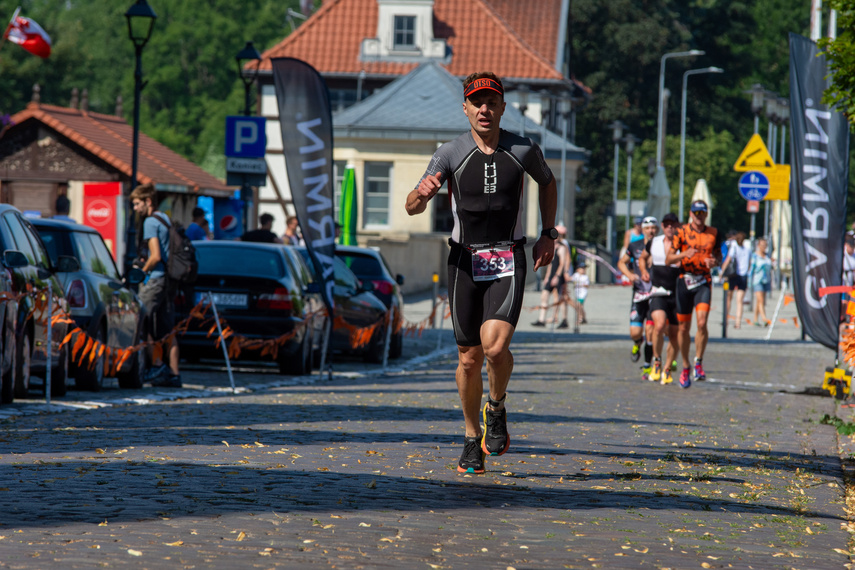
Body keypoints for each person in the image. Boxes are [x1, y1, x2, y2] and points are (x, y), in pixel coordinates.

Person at [405, 71, 557, 475]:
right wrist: (420, 197)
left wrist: (548, 233)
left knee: (494, 347)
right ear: (465, 108)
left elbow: (548, 182)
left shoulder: (523, 149)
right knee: (469, 360)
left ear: (503, 108)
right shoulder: (449, 153)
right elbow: (411, 204)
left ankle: (498, 404)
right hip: (464, 261)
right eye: (477, 102)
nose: (485, 109)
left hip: (509, 257)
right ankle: (472, 439)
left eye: (492, 102)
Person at [666, 199, 722, 388]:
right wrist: (683, 255)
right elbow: (668, 259)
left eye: (702, 213)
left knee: (702, 322)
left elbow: (719, 256)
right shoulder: (681, 232)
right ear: (691, 214)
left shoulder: (713, 233)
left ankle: (698, 361)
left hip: (703, 281)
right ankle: (685, 365)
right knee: (683, 328)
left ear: (706, 214)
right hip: (684, 280)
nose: (699, 217)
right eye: (696, 213)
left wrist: (714, 262)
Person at [130, 183, 181, 388]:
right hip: (168, 281)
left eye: (136, 203)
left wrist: (139, 273)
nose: (134, 208)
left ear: (148, 202)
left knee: (142, 323)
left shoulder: (150, 222)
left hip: (155, 280)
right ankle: (174, 374)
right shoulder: (165, 218)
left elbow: (156, 256)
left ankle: (157, 366)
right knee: (167, 329)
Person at [639, 213, 681, 385]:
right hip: (657, 292)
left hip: (677, 293)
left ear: (677, 226)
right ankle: (657, 360)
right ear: (662, 226)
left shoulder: (682, 243)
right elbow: (642, 258)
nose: (670, 227)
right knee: (659, 325)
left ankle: (667, 367)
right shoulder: (654, 243)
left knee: (675, 334)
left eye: (673, 225)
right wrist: (643, 271)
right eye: (667, 225)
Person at [617, 216, 658, 379]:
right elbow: (621, 263)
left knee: (651, 331)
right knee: (635, 332)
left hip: (655, 294)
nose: (651, 231)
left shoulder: (663, 246)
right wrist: (629, 275)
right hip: (639, 293)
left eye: (653, 228)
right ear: (643, 229)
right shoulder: (635, 246)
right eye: (647, 228)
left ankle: (648, 365)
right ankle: (636, 342)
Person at [533, 237, 569, 327]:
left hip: (558, 276)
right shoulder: (552, 248)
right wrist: (547, 277)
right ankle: (542, 319)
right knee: (544, 295)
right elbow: (550, 265)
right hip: (551, 275)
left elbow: (562, 264)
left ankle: (564, 320)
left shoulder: (562, 248)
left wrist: (557, 276)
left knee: (561, 298)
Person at [720, 231, 751, 329]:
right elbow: (749, 263)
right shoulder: (748, 249)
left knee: (728, 298)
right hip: (743, 276)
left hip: (733, 275)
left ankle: (726, 320)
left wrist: (721, 273)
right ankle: (738, 323)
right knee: (739, 301)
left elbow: (728, 260)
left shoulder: (734, 247)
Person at [748, 237, 772, 326]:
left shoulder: (767, 256)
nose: (764, 247)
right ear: (758, 246)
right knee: (761, 300)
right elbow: (751, 270)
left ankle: (755, 319)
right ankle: (764, 318)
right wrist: (749, 283)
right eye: (762, 245)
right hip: (757, 280)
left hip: (766, 280)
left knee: (760, 301)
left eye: (765, 245)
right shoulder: (755, 256)